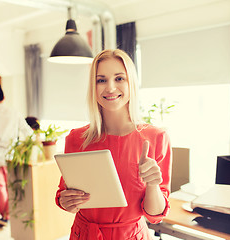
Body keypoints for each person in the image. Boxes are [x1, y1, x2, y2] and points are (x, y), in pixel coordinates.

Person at [55, 49, 172, 239]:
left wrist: (152, 184)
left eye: (119, 78)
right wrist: (66, 201)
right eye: (101, 80)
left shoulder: (156, 138)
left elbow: (155, 215)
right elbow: (65, 194)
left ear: (131, 83)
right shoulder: (76, 139)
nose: (110, 88)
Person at [0, 84, 32, 227]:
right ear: (4, 97)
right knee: (11, 187)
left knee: (0, 188)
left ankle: (5, 216)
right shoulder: (14, 112)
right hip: (12, 157)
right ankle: (9, 214)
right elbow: (27, 131)